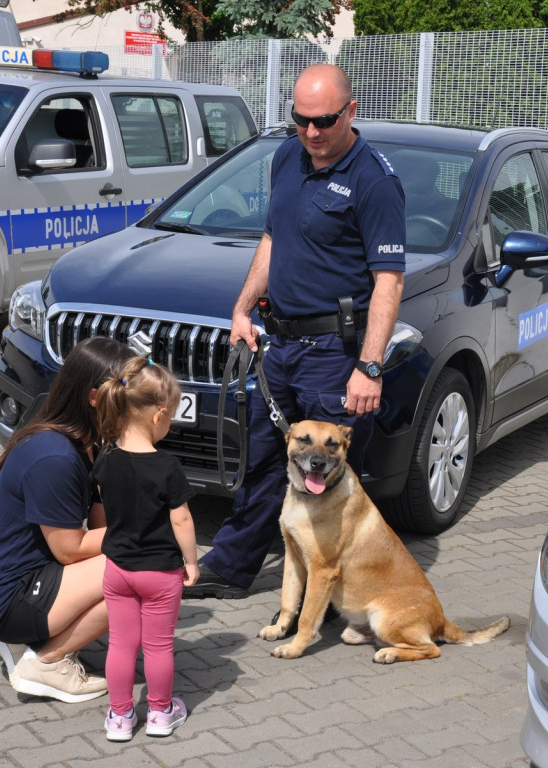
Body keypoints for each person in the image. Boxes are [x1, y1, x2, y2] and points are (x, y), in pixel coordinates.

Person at [184, 63, 406, 599]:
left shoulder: (373, 181)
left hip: (334, 353)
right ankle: (232, 567)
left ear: (351, 112)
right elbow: (271, 239)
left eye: (324, 121)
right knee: (264, 458)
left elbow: (389, 281)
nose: (312, 132)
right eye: (301, 119)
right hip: (279, 346)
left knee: (325, 478)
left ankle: (332, 589)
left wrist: (369, 366)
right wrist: (242, 309)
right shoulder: (287, 156)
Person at [0, 336, 136, 703]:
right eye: (130, 395)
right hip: (6, 599)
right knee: (143, 566)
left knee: (137, 555)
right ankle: (46, 661)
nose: (138, 405)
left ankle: (30, 639)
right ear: (95, 398)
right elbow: (71, 549)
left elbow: (100, 527)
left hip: (26, 582)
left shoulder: (85, 444)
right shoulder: (54, 457)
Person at [92, 357, 199, 741]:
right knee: (157, 646)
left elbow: (106, 505)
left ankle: (119, 718)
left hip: (118, 569)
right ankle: (159, 713)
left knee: (121, 643)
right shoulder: (167, 466)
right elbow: (182, 520)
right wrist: (191, 561)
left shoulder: (105, 459)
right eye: (171, 416)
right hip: (160, 573)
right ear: (158, 417)